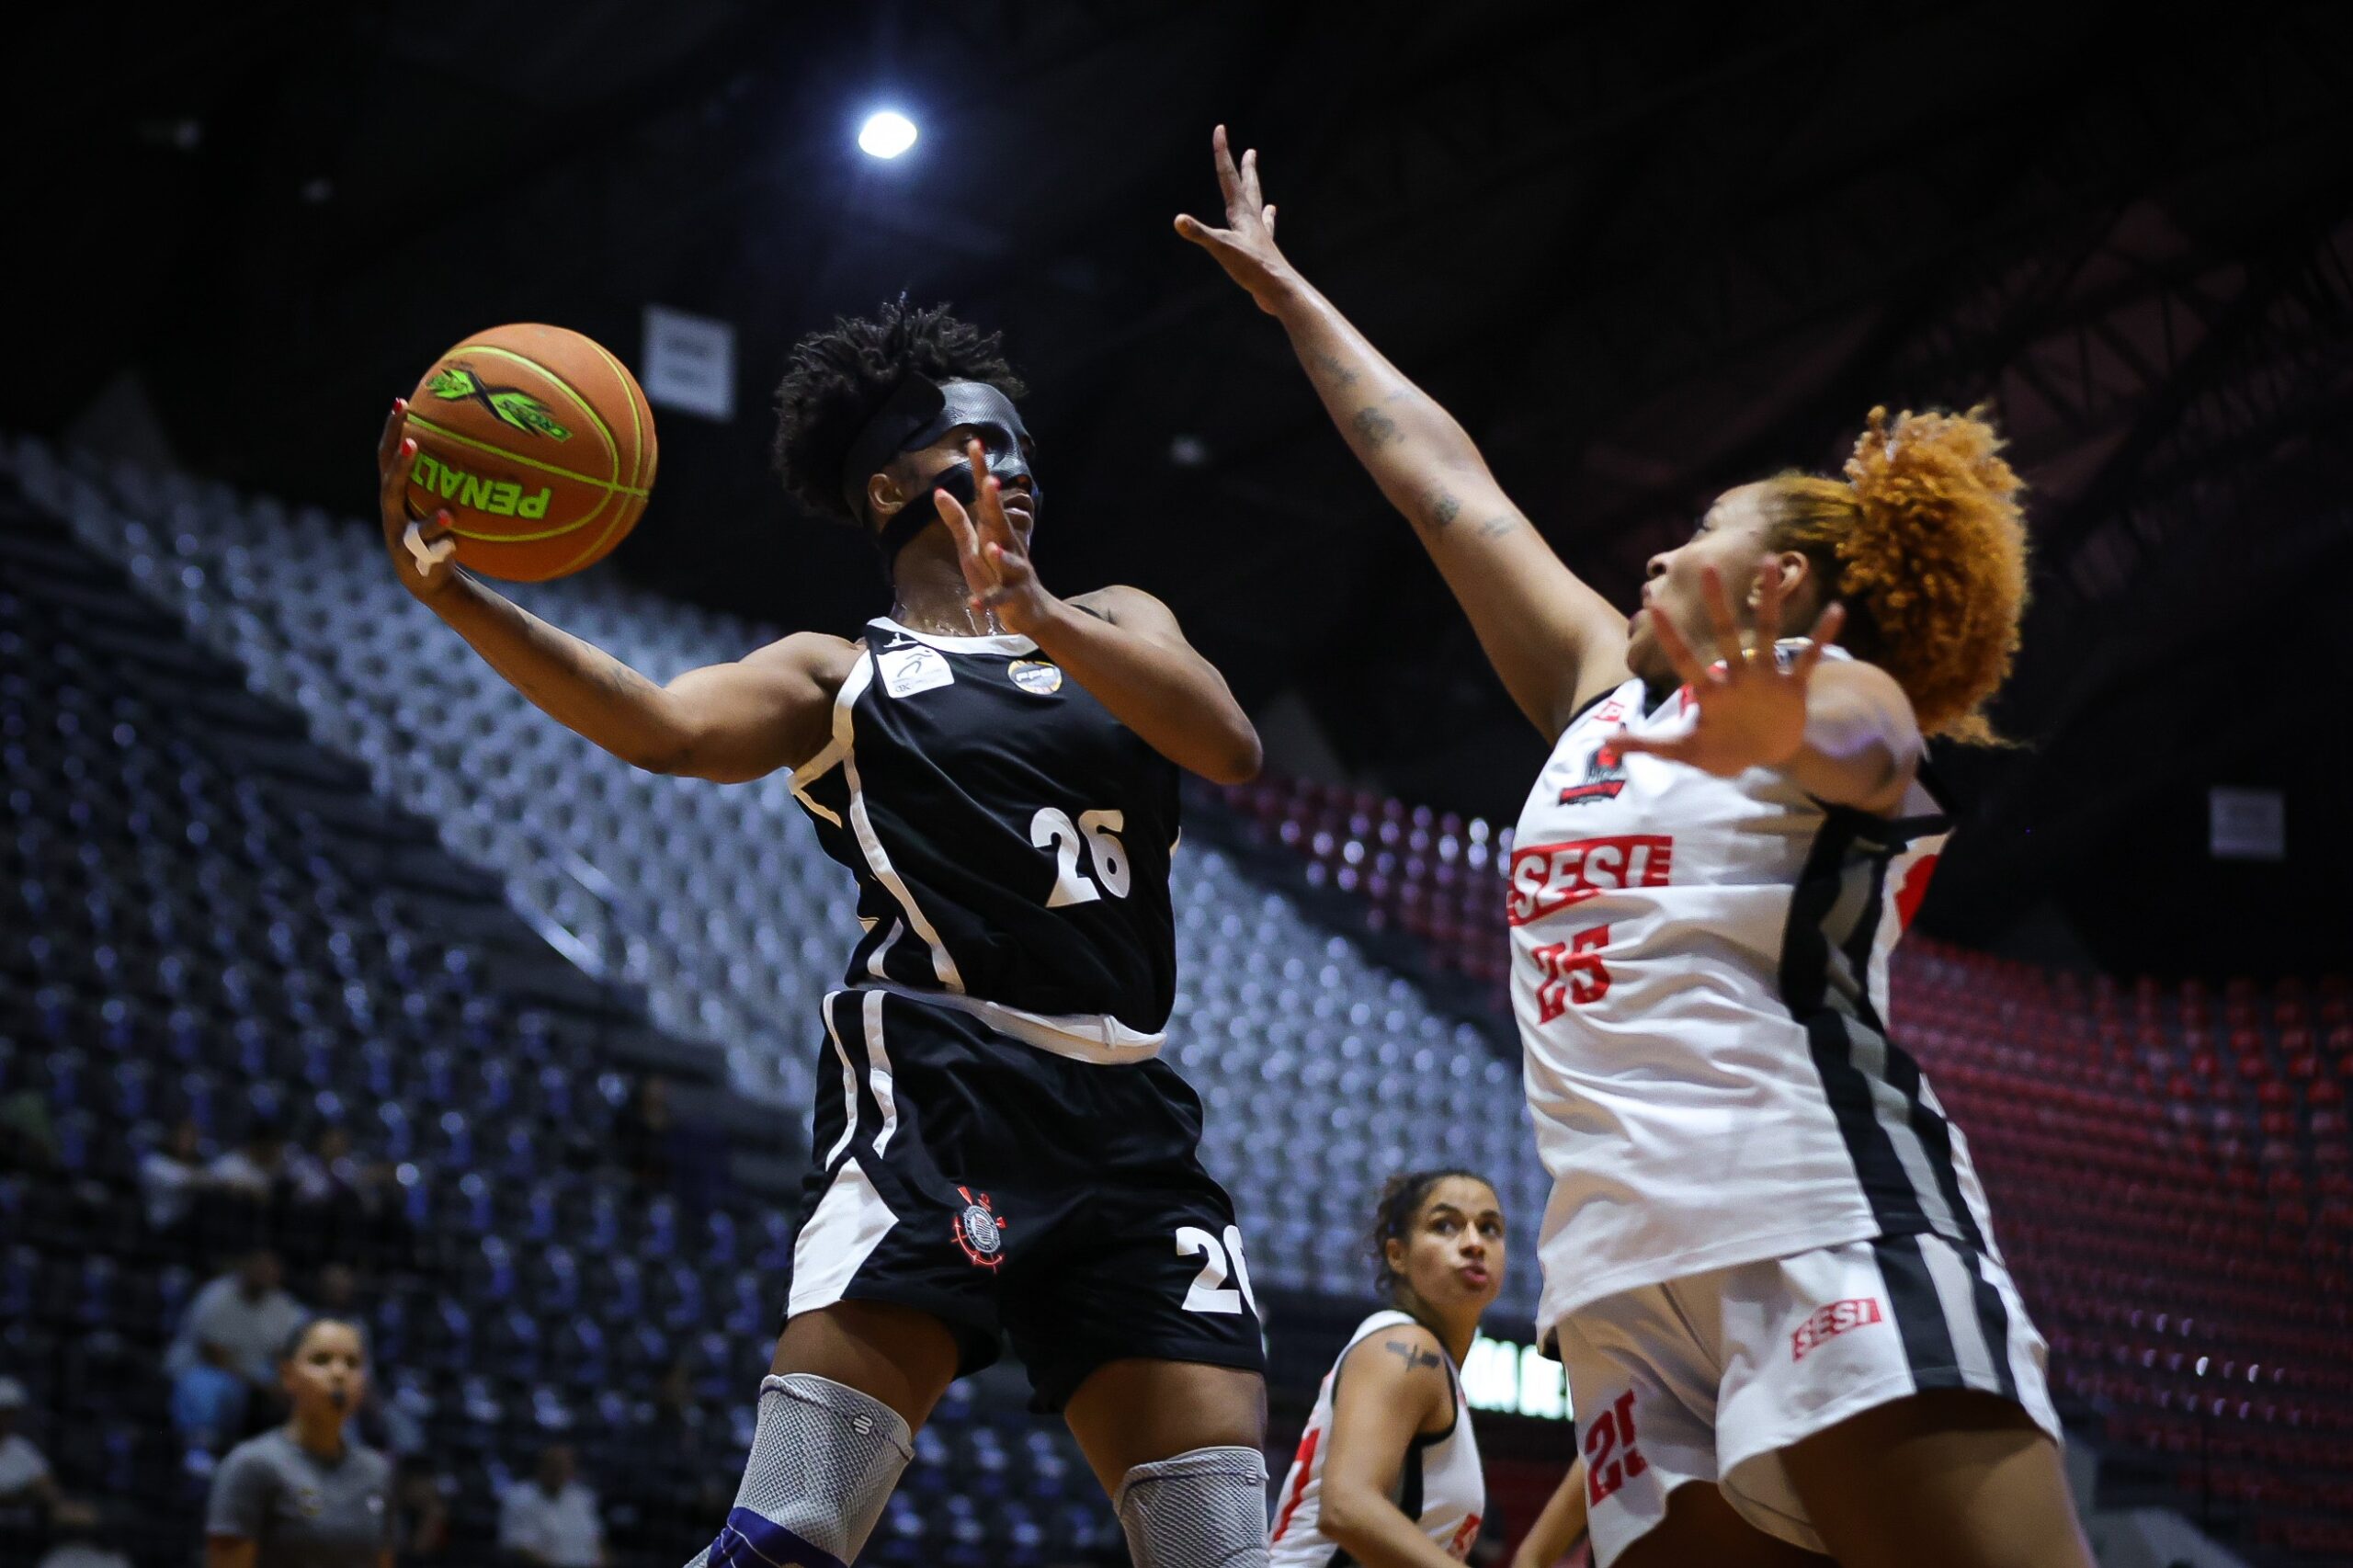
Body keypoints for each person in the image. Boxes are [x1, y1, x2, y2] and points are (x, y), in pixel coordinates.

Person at [1182, 128, 2087, 1568]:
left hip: (1818, 1224)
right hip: (1617, 1286)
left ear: (1781, 581)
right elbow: (1445, 486)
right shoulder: (1604, 689)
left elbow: (1871, 747)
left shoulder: (1839, 695)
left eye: (1697, 532)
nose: (1657, 556)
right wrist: (1296, 299)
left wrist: (1781, 718)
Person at [375, 297, 1272, 1568]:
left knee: (1223, 1552)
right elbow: (661, 727)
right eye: (984, 446)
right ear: (897, 482)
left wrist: (1045, 615)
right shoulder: (839, 672)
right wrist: (461, 597)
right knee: (796, 1530)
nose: (1017, 471)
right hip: (942, 1084)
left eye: (1023, 451)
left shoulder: (1119, 618)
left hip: (1132, 1117)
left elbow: (1229, 747)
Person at [1269, 1171, 1552, 1567]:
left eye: (1490, 1228)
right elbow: (1347, 1507)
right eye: (1445, 1226)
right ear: (1397, 1255)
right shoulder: (1404, 1347)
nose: (1473, 1243)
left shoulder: (1434, 1365)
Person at [205, 1318, 394, 1568]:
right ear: (287, 1374)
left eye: (353, 1363)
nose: (339, 1373)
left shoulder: (376, 1472)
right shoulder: (253, 1465)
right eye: (321, 1360)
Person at [169, 1249, 309, 1449]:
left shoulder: (282, 1305)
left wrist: (283, 1384)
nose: (264, 1272)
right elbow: (216, 1357)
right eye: (259, 1266)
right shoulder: (216, 1296)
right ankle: (199, 1451)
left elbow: (283, 1354)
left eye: (270, 1268)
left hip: (252, 1375)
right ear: (244, 1267)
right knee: (208, 1388)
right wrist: (265, 1387)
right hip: (204, 1370)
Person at [496, 1446, 604, 1568]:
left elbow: (597, 1541)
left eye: (565, 1466)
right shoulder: (518, 1497)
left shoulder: (582, 1496)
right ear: (540, 1467)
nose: (559, 1471)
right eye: (554, 1466)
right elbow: (518, 1547)